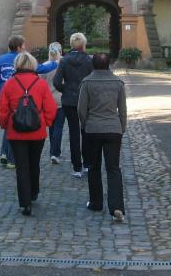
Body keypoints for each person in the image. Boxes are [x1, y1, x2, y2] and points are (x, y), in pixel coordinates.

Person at [0, 51, 57, 216]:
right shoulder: (40, 83)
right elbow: (50, 107)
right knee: (34, 163)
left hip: (16, 131)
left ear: (16, 65)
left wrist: (5, 125)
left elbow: (2, 108)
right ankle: (34, 192)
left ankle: (25, 203)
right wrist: (46, 122)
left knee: (21, 166)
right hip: (37, 131)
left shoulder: (9, 84)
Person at [77, 52, 127, 222]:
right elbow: (123, 109)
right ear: (108, 65)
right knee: (113, 168)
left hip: (93, 128)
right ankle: (117, 207)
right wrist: (121, 127)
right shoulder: (118, 83)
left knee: (94, 167)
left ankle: (96, 202)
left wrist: (85, 124)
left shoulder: (87, 82)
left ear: (93, 65)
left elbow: (81, 109)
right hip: (113, 128)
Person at [53, 32, 93, 178]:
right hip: (86, 100)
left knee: (73, 133)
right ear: (83, 44)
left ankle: (77, 167)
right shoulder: (89, 60)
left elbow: (56, 82)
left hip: (69, 101)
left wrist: (66, 89)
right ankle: (87, 164)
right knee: (86, 132)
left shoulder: (64, 60)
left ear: (71, 44)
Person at [0, 34, 25, 169]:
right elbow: (39, 68)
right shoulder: (22, 59)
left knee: (8, 125)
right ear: (19, 47)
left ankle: (3, 153)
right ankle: (10, 157)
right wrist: (54, 63)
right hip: (16, 98)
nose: (24, 47)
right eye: (23, 45)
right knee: (13, 126)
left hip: (3, 96)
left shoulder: (2, 59)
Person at [39, 42, 64, 164]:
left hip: (48, 101)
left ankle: (52, 151)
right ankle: (55, 152)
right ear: (61, 51)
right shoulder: (63, 64)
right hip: (60, 99)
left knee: (51, 127)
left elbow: (40, 84)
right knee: (59, 127)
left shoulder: (44, 66)